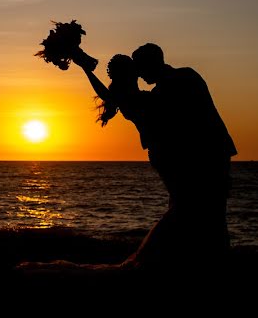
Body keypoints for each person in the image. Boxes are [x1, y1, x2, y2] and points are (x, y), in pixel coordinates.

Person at [73, 43, 237, 268]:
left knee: (196, 212)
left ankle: (171, 260)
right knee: (201, 213)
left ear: (152, 64)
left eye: (140, 68)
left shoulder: (172, 85)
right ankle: (200, 260)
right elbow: (116, 97)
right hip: (195, 159)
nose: (139, 74)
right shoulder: (169, 85)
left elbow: (191, 120)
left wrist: (86, 68)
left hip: (203, 157)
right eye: (135, 70)